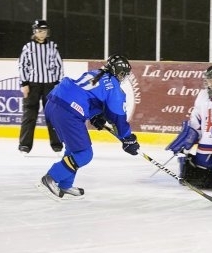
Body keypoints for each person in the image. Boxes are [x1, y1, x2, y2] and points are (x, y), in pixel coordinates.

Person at [37, 54, 140, 199]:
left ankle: (65, 185)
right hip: (68, 111)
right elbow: (118, 116)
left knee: (74, 149)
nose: (124, 77)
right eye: (124, 74)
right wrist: (128, 138)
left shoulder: (96, 73)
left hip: (54, 102)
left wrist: (94, 115)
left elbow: (85, 94)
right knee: (84, 154)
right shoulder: (114, 87)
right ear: (119, 72)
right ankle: (51, 178)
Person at [18, 19, 64, 154]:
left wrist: (58, 84)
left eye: (44, 30)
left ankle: (57, 144)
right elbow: (22, 65)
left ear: (47, 32)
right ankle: (24, 145)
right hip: (32, 85)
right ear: (34, 32)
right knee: (29, 114)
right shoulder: (28, 47)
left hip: (50, 85)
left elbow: (59, 66)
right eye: (39, 31)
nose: (41, 33)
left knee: (53, 114)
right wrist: (24, 83)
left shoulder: (53, 47)